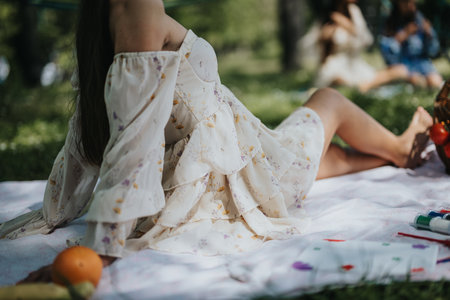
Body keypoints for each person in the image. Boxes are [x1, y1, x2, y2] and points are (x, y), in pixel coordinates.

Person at [0, 0, 433, 282]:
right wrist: (102, 248)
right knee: (328, 100)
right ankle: (398, 148)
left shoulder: (98, 15)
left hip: (243, 157)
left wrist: (58, 209)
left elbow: (94, 125)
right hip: (242, 170)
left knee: (320, 154)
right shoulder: (138, 7)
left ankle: (392, 154)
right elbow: (133, 136)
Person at [314, 0, 409, 92]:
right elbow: (319, 49)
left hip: (355, 65)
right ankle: (361, 87)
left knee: (400, 71)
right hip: (335, 67)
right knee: (339, 81)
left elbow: (367, 40)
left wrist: (349, 27)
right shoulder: (329, 15)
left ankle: (362, 87)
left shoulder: (354, 11)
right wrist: (323, 37)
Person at [379, 0, 444, 89]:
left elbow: (433, 50)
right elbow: (387, 54)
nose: (410, 6)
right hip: (404, 65)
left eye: (412, 2)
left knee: (436, 82)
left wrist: (429, 35)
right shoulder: (391, 24)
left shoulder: (419, 18)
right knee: (417, 82)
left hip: (423, 64)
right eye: (406, 2)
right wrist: (403, 35)